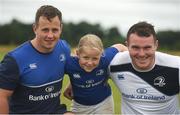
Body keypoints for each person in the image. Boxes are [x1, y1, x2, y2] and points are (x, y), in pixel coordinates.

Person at [0, 5, 71, 114]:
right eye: (45, 30)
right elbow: (2, 96)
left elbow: (78, 67)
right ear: (35, 28)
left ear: (61, 28)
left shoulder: (64, 48)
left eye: (55, 30)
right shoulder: (14, 59)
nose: (50, 35)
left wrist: (72, 85)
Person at [109, 21, 180, 114]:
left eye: (147, 47)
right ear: (127, 45)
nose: (142, 54)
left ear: (156, 45)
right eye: (135, 47)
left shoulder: (175, 66)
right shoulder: (114, 64)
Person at [63, 34, 127, 114]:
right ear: (77, 54)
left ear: (101, 54)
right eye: (86, 57)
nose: (90, 63)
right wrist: (71, 84)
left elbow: (120, 46)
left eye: (95, 58)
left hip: (104, 103)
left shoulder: (105, 59)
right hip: (79, 106)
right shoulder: (69, 64)